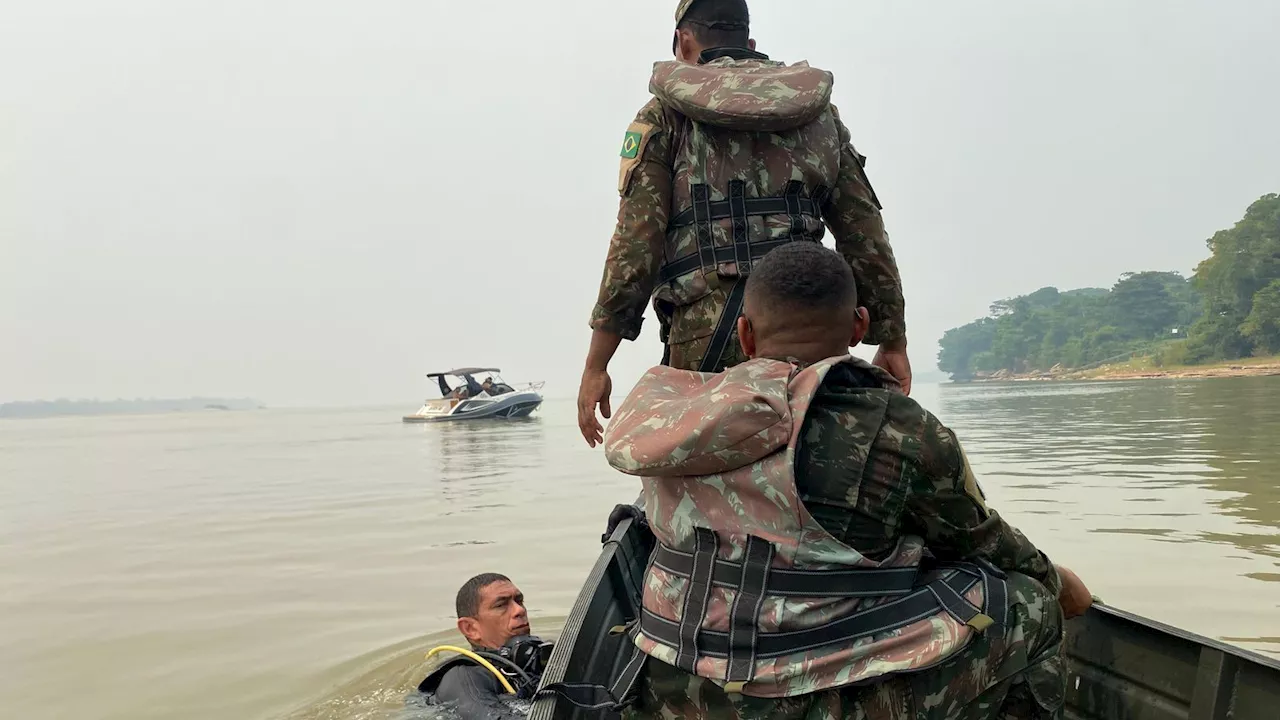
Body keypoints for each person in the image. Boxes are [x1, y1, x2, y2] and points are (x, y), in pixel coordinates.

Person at [599, 242, 1092, 719]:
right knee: (1029, 604)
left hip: (672, 687)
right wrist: (1054, 578)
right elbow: (980, 543)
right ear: (859, 326)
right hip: (806, 701)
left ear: (745, 336)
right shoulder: (900, 427)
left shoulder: (681, 417)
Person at [578, 0, 912, 448]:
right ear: (749, 43)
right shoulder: (819, 116)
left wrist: (598, 364)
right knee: (816, 462)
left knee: (703, 476)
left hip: (704, 333)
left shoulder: (664, 116)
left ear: (684, 41)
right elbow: (864, 233)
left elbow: (637, 245)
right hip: (811, 327)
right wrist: (892, 337)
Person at [413, 574, 554, 718]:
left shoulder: (536, 656)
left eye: (519, 601)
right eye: (501, 605)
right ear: (470, 629)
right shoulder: (463, 678)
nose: (520, 610)